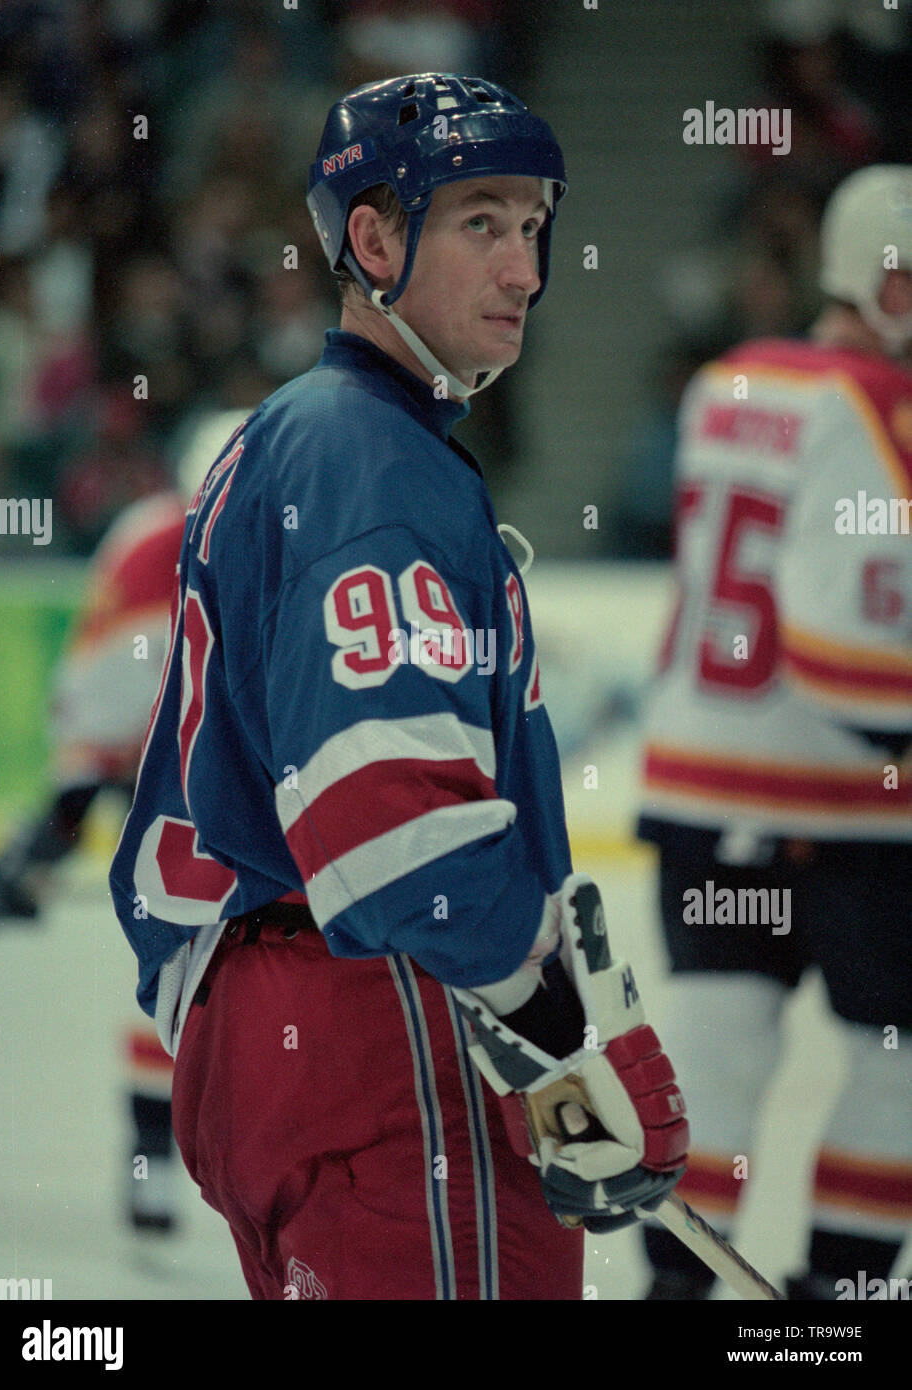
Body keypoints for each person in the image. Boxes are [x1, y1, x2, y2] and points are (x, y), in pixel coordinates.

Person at [109, 73, 689, 1302]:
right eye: (482, 221)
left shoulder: (311, 438)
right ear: (372, 238)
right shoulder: (369, 457)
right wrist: (562, 1040)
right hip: (381, 1032)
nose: (526, 269)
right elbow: (394, 832)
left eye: (534, 227)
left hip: (284, 1036)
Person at [636, 164, 912, 1300]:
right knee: (898, 1065)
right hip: (848, 813)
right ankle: (837, 1295)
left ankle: (676, 1288)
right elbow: (850, 652)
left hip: (700, 794)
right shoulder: (874, 407)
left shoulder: (728, 379)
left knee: (711, 1070)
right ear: (883, 282)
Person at [0, 409, 241, 1234]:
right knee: (179, 964)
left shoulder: (254, 540)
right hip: (181, 789)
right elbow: (102, 700)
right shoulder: (155, 551)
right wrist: (55, 827)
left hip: (244, 789)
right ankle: (154, 1155)